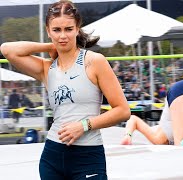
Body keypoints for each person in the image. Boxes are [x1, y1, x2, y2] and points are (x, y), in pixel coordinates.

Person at [0, 1, 130, 179]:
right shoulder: (47, 68)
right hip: (52, 156)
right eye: (56, 30)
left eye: (68, 29)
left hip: (87, 157)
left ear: (77, 28)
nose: (63, 36)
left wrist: (83, 125)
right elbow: (7, 50)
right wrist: (49, 46)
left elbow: (123, 111)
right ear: (48, 30)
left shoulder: (94, 62)